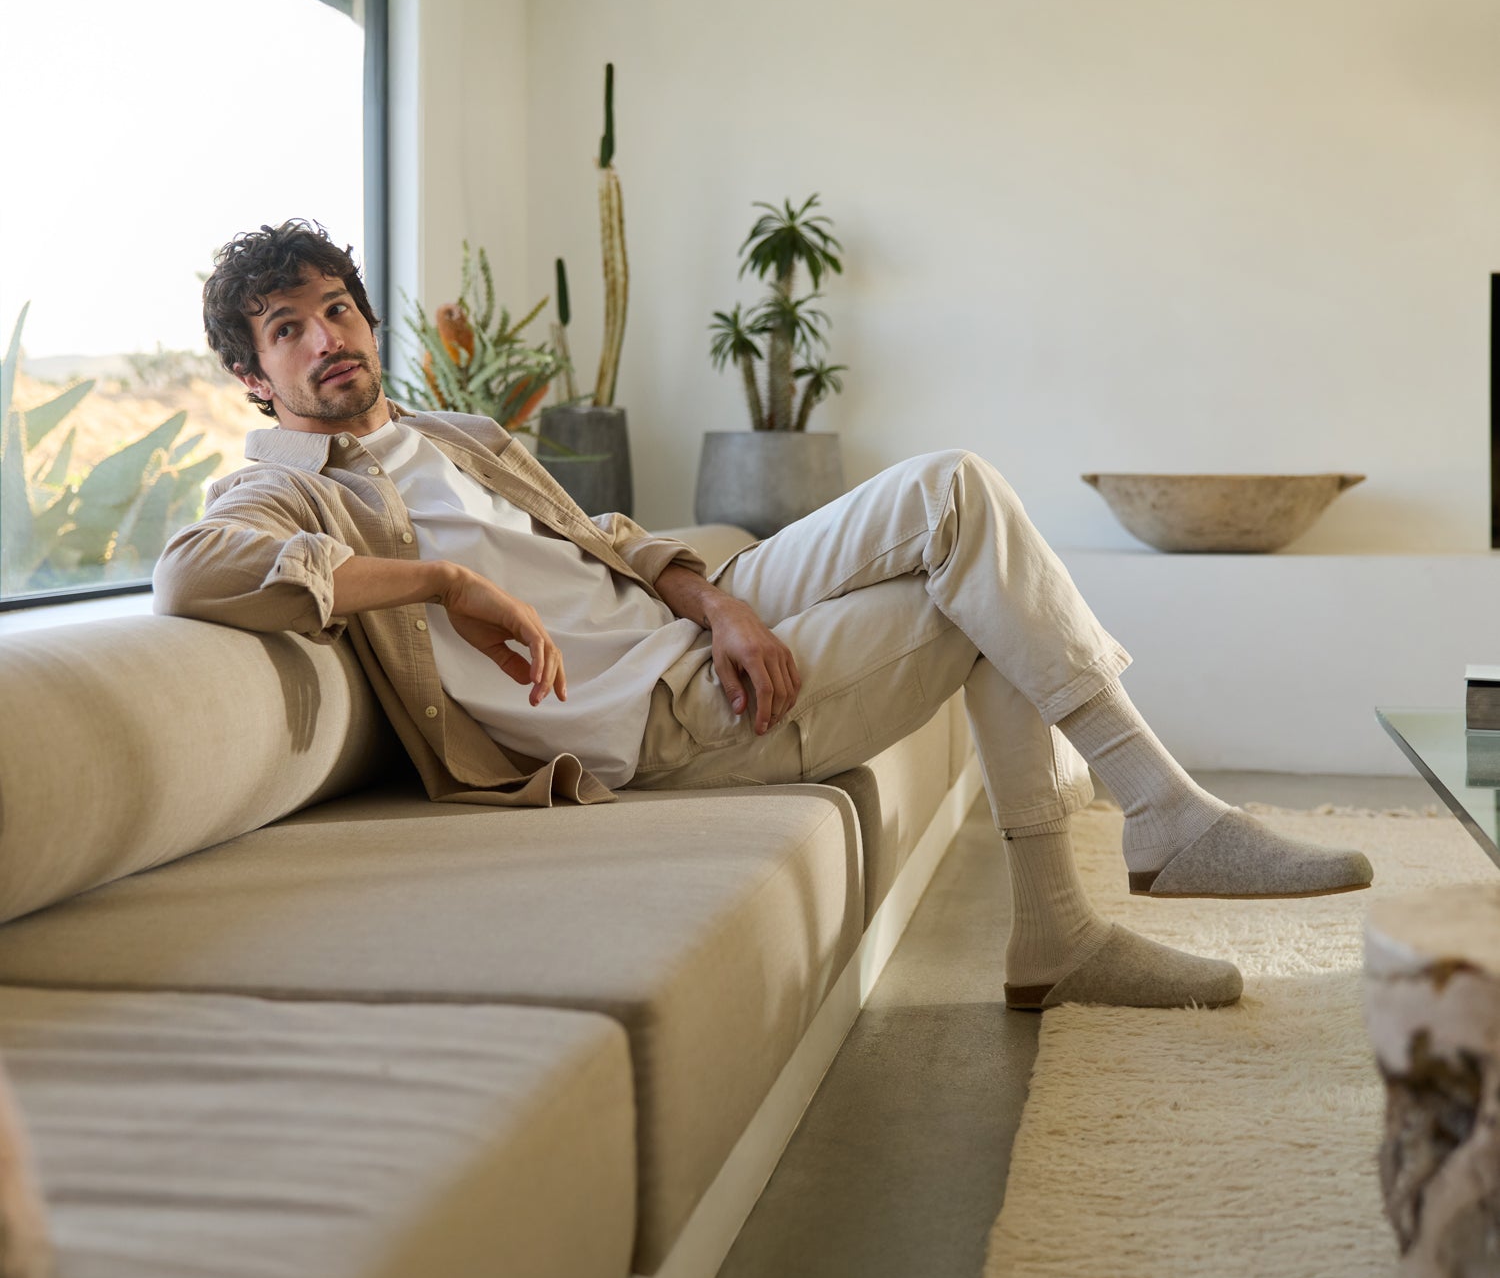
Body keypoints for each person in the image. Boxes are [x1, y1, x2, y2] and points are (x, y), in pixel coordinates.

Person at [155, 220, 1373, 1012]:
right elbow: (192, 575)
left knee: (955, 487)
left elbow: (610, 542)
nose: (326, 340)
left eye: (338, 311)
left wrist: (720, 601)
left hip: (693, 637)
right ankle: (1088, 895)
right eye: (288, 329)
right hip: (665, 718)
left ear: (369, 321)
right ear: (254, 377)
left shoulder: (457, 435)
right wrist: (443, 584)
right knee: (982, 603)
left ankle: (1141, 836)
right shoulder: (280, 486)